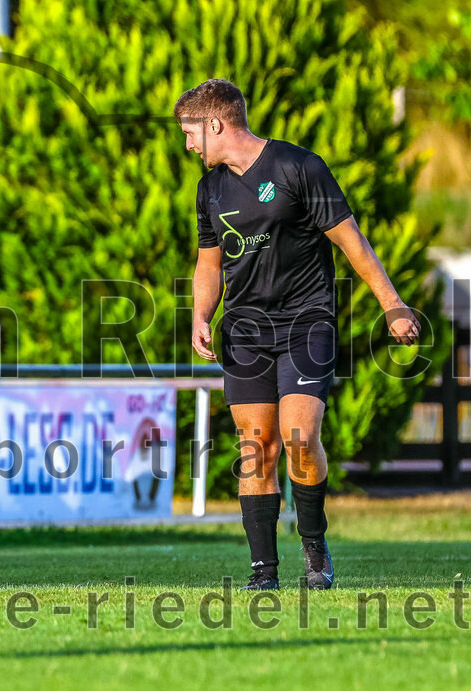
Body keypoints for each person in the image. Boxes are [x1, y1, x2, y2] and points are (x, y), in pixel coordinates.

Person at [175, 79, 420, 590]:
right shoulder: (209, 189)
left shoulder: (299, 167)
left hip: (306, 323)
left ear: (215, 124)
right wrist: (201, 316)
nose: (189, 145)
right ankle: (263, 571)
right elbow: (208, 263)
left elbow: (352, 243)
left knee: (300, 439)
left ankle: (313, 544)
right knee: (255, 446)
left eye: (190, 133)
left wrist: (392, 305)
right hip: (245, 332)